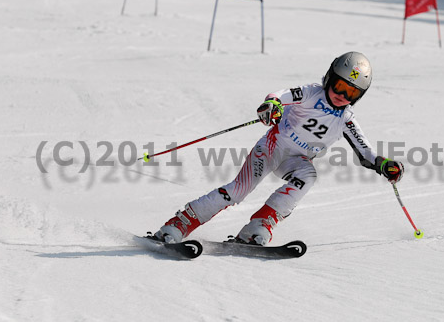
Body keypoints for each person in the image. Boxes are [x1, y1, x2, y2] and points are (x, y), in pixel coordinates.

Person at [153, 52, 404, 246]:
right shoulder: (310, 93)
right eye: (339, 86)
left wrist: (384, 165)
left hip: (296, 160)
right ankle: (179, 223)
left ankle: (259, 226)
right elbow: (280, 95)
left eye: (351, 92)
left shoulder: (346, 120)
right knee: (239, 191)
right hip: (272, 147)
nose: (341, 95)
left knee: (308, 176)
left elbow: (366, 153)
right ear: (329, 78)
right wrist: (272, 104)